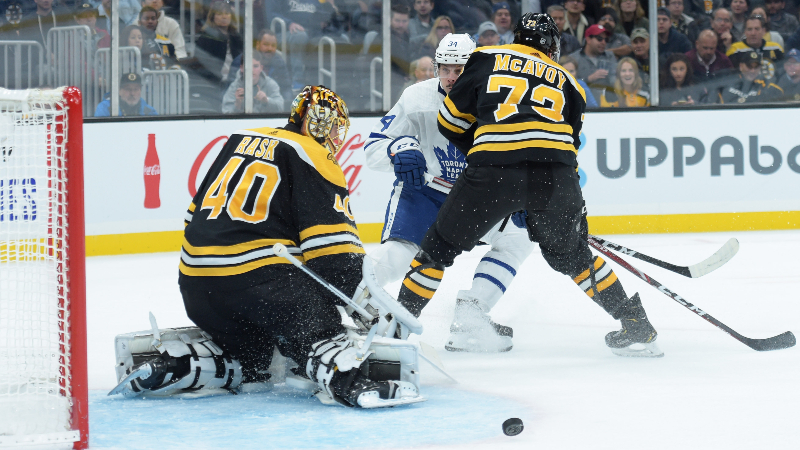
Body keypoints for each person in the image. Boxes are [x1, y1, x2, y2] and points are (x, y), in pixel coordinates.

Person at [403, 13, 661, 358]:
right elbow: (568, 151)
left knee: (436, 250)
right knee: (575, 257)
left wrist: (484, 154)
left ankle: (393, 329)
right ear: (553, 48)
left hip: (493, 169)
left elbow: (449, 122)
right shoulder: (570, 83)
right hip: (555, 178)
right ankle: (635, 324)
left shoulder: (486, 58)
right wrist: (568, 210)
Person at [178, 85, 422, 408]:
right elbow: (334, 259)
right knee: (314, 321)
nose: (336, 136)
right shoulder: (313, 154)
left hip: (196, 285)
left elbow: (191, 218)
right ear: (319, 122)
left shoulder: (239, 138)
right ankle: (347, 377)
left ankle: (186, 364)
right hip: (259, 284)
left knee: (255, 353)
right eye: (334, 127)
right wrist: (369, 310)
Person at [364, 33, 532, 353]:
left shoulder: (498, 100)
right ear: (436, 68)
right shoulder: (416, 98)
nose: (452, 77)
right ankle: (343, 298)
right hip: (425, 193)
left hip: (475, 198)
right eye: (446, 69)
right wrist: (400, 149)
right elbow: (373, 147)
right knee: (400, 256)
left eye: (459, 70)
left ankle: (471, 316)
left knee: (517, 239)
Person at [194, 0, 244, 95]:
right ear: (213, 17)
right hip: (213, 83)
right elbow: (203, 65)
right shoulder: (206, 37)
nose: (224, 17)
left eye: (227, 14)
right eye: (219, 14)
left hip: (235, 82)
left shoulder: (236, 37)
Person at [228, 29, 292, 101]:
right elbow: (229, 90)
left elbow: (286, 89)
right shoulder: (242, 60)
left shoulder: (279, 62)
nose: (270, 48)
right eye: (266, 44)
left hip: (270, 105)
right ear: (258, 45)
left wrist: (286, 105)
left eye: (273, 45)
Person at [727, 14, 784, 81]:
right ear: (744, 32)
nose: (753, 33)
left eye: (757, 29)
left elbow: (782, 73)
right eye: (749, 29)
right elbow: (731, 76)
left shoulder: (776, 48)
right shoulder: (735, 50)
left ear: (763, 31)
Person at [569, 24, 618, 101]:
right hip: (583, 101)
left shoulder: (610, 56)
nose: (603, 42)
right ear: (588, 39)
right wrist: (589, 78)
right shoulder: (573, 58)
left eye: (606, 39)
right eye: (599, 39)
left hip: (608, 102)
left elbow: (616, 79)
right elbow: (569, 84)